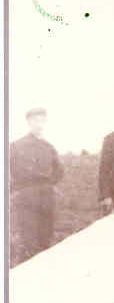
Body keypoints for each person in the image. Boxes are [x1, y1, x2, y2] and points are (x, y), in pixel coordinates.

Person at [9, 108, 64, 263]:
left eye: (42, 121)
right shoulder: (16, 146)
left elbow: (59, 170)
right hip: (25, 195)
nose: (39, 124)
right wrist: (15, 190)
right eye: (35, 120)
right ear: (28, 122)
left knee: (45, 238)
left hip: (46, 196)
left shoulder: (49, 147)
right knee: (28, 239)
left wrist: (49, 184)